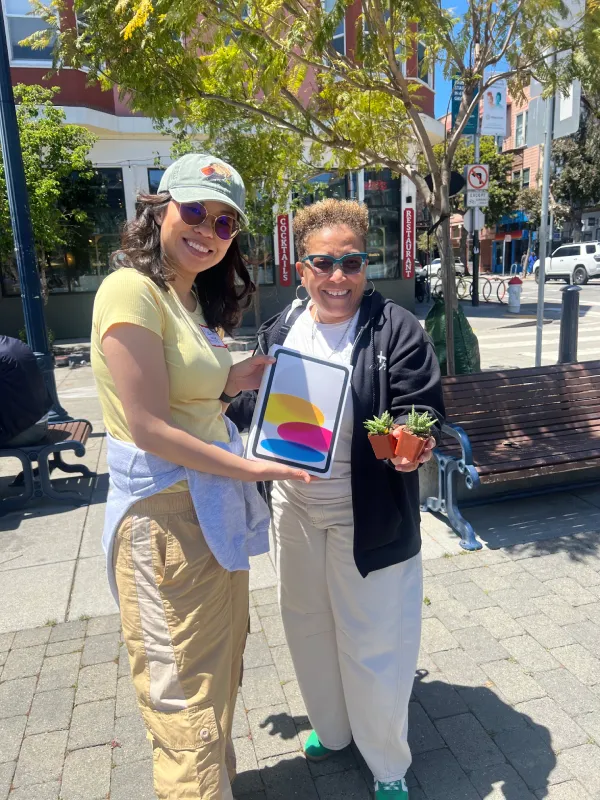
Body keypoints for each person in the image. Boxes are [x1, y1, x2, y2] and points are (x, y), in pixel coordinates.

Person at [90, 153, 311, 800]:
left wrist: (234, 380)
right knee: (184, 704)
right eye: (194, 210)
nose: (207, 230)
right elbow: (149, 426)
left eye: (223, 222)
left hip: (209, 511)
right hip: (164, 520)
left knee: (215, 677)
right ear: (160, 208)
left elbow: (187, 398)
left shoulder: (184, 299)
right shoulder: (129, 289)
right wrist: (252, 466)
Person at [228, 198, 445, 800]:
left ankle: (387, 763)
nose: (338, 277)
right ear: (302, 269)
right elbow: (250, 403)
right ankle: (333, 727)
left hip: (367, 512)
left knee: (375, 639)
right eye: (323, 263)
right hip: (293, 506)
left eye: (351, 262)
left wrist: (412, 445)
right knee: (307, 624)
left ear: (366, 266)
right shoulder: (282, 328)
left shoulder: (396, 328)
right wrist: (213, 394)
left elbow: (419, 407)